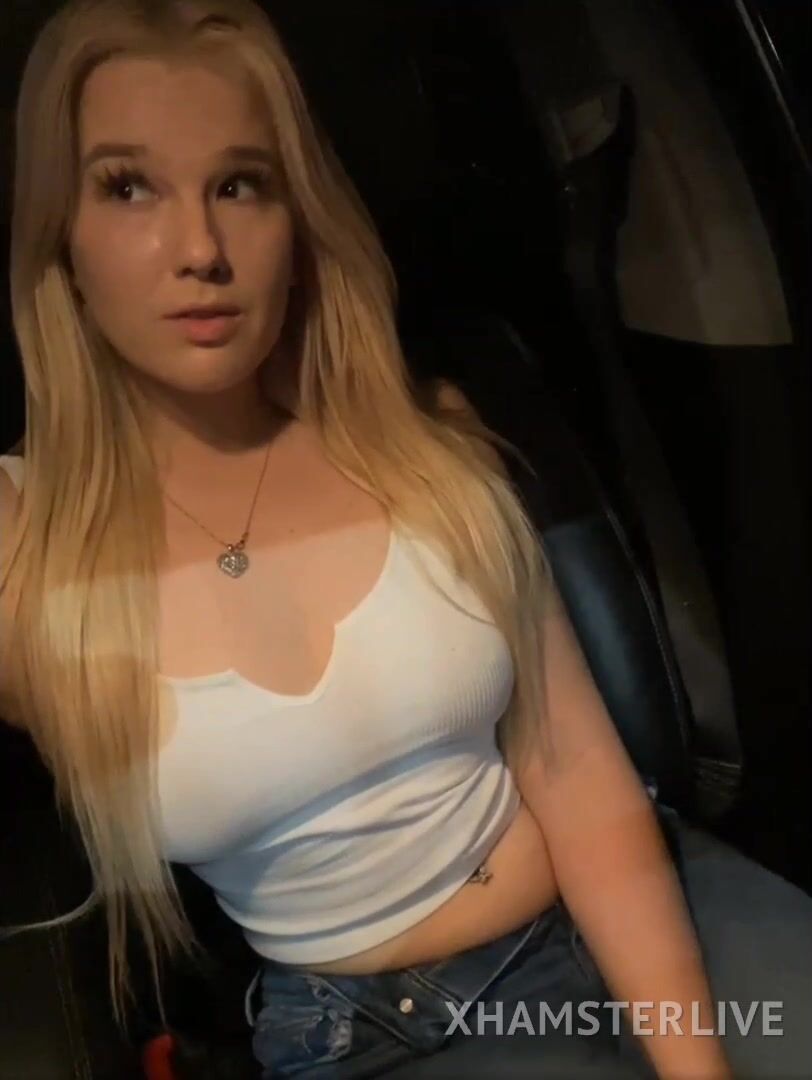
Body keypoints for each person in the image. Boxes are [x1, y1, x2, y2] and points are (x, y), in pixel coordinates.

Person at [0, 2, 810, 1078]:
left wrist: (693, 1065)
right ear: (61, 234)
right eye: (128, 187)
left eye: (240, 185)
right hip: (363, 1038)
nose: (199, 250)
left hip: (623, 905)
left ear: (297, 221)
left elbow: (580, 781)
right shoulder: (23, 539)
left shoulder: (426, 446)